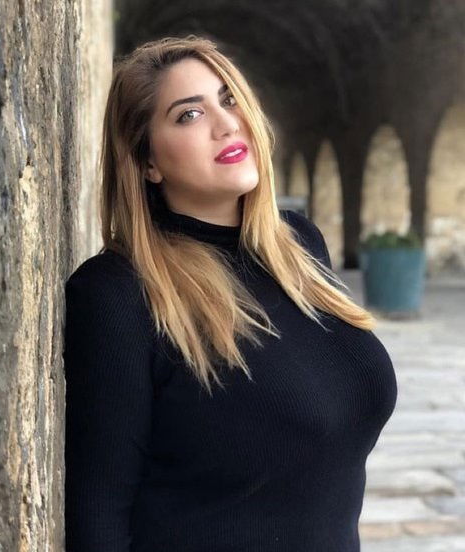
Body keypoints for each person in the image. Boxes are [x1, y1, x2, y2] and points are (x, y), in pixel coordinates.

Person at [63, 35, 398, 552]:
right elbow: (99, 517)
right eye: (189, 115)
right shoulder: (118, 295)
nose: (226, 124)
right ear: (148, 162)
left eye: (230, 98)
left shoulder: (299, 245)